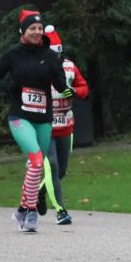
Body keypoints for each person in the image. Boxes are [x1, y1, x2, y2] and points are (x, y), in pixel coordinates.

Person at [0, 9, 69, 232]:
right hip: (20, 116)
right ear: (22, 31)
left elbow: (61, 87)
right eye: (32, 28)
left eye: (39, 28)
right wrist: (10, 89)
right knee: (36, 162)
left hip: (43, 118)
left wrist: (66, 81)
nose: (36, 32)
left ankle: (21, 210)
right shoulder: (13, 54)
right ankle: (32, 212)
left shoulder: (49, 55)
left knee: (34, 166)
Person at [40, 25, 89, 225]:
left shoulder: (69, 66)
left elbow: (83, 86)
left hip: (66, 126)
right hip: (44, 127)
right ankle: (61, 210)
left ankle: (39, 193)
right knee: (52, 165)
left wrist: (75, 93)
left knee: (61, 171)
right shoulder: (37, 66)